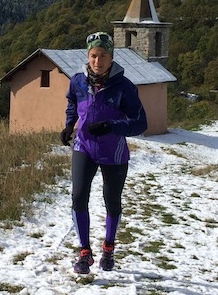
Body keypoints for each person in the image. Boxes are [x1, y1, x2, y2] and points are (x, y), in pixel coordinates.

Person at [60, 31, 147, 274]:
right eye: (93, 56)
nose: (97, 61)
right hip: (84, 147)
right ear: (88, 57)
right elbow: (72, 103)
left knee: (112, 202)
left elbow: (140, 123)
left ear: (112, 58)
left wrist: (111, 126)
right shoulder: (78, 81)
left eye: (103, 56)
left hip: (114, 152)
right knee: (78, 197)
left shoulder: (124, 87)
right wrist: (69, 124)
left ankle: (108, 248)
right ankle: (84, 252)